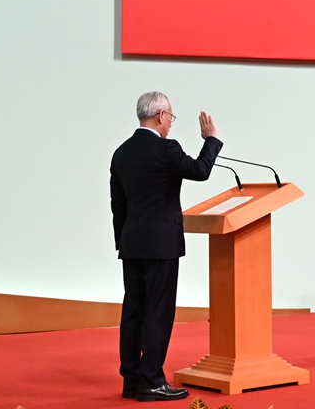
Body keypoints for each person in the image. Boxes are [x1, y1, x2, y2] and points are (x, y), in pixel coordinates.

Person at [110, 91, 222, 402]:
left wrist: (124, 240)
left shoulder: (121, 153)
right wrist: (210, 139)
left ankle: (131, 381)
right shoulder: (166, 149)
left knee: (133, 310)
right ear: (160, 115)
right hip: (161, 244)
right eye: (171, 117)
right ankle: (152, 381)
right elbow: (200, 171)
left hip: (131, 243)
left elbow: (117, 204)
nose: (171, 124)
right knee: (158, 312)